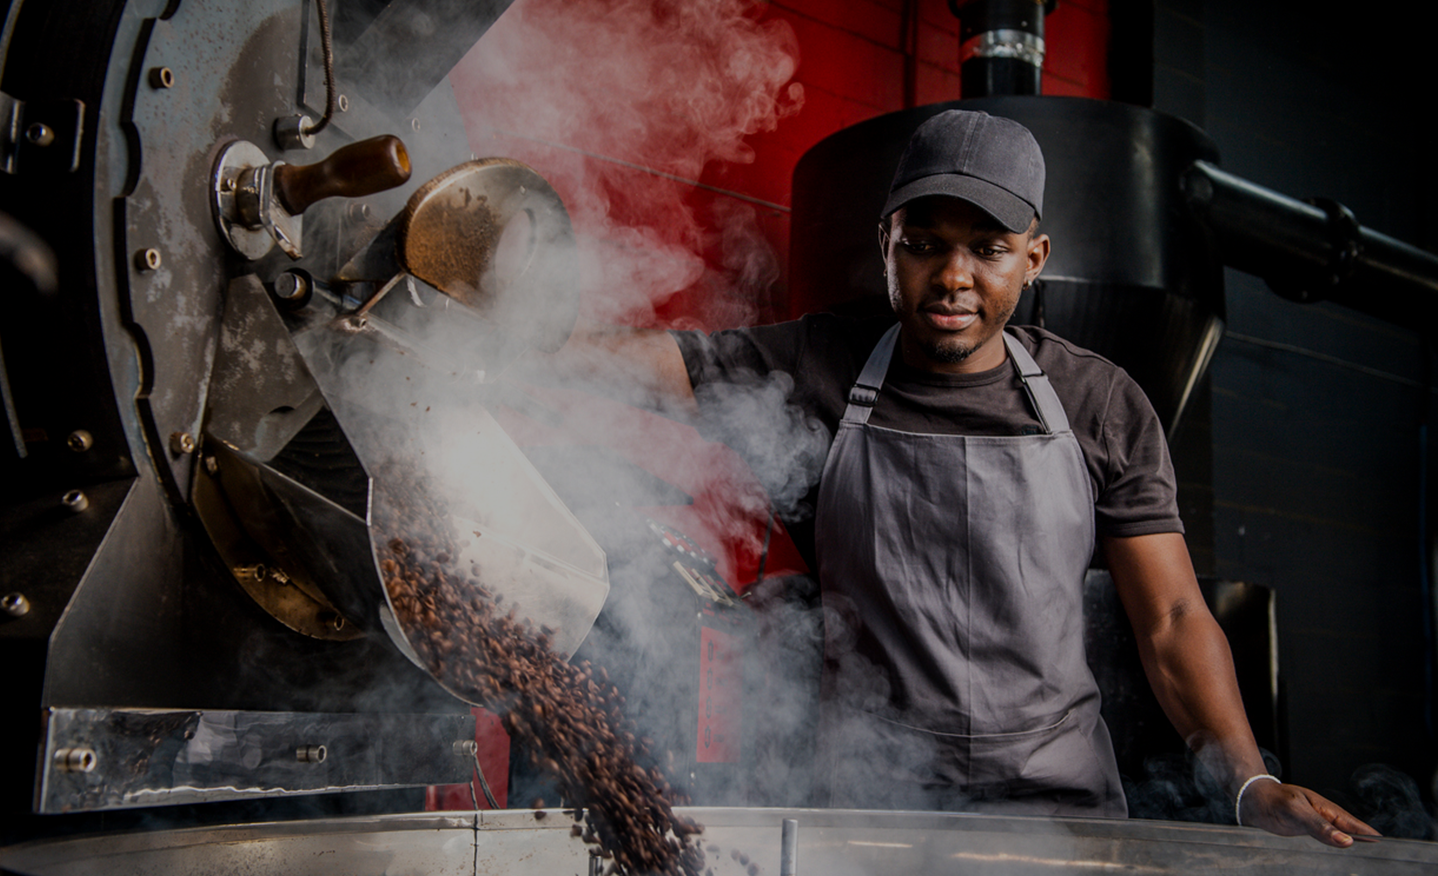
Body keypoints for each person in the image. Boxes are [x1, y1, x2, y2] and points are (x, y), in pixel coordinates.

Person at [531, 109, 1376, 845]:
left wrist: (1246, 782)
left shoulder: (1097, 402)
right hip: (871, 816)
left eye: (988, 249)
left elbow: (1174, 618)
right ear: (886, 242)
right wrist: (491, 339)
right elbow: (651, 365)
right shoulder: (818, 364)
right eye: (925, 245)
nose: (954, 278)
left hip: (1059, 817)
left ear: (1035, 256)